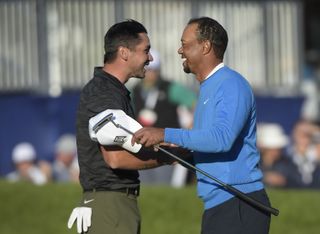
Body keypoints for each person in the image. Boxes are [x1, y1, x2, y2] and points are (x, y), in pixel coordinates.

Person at [132, 17, 271, 234]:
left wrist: (164, 133)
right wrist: (179, 152)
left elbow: (221, 139)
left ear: (205, 46)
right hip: (220, 204)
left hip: (238, 203)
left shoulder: (231, 83)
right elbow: (208, 142)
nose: (180, 50)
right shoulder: (208, 87)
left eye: (185, 44)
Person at [68, 19, 175, 234]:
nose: (150, 58)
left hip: (111, 205)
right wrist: (172, 156)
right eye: (146, 50)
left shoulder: (112, 90)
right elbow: (115, 159)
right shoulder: (104, 91)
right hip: (110, 207)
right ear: (124, 52)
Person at [131, 49, 196, 186]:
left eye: (154, 70)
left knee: (164, 185)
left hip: (167, 147)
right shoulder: (134, 90)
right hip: (141, 147)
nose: (150, 73)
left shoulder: (170, 88)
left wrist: (193, 125)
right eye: (148, 69)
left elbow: (195, 103)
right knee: (145, 189)